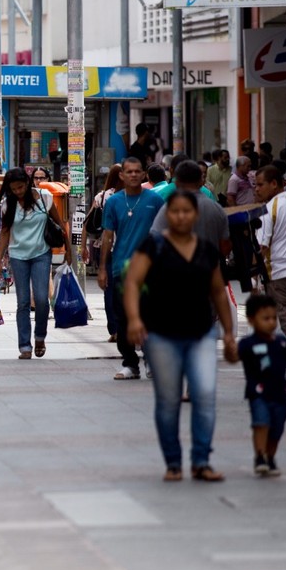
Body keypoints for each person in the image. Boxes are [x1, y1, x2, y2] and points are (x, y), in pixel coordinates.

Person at [123, 190, 236, 482]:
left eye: (187, 211)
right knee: (169, 399)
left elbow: (218, 293)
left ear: (195, 215)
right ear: (167, 215)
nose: (181, 216)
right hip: (161, 335)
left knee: (205, 395)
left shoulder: (207, 251)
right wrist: (135, 319)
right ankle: (173, 462)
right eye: (175, 212)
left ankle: (201, 460)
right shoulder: (153, 246)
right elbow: (133, 282)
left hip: (201, 333)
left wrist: (230, 335)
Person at [98, 157, 164, 380]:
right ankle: (130, 363)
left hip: (150, 269)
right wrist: (102, 268)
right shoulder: (113, 202)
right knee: (123, 318)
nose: (134, 175)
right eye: (129, 172)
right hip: (120, 268)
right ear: (122, 175)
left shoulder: (155, 201)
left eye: (138, 171)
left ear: (144, 174)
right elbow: (107, 235)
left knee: (150, 316)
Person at [0, 168, 70, 359]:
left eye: (20, 187)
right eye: (14, 189)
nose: (18, 192)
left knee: (42, 299)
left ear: (27, 183)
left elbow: (60, 223)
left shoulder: (44, 197)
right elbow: (4, 232)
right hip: (18, 256)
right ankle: (24, 346)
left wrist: (69, 249)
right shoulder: (7, 204)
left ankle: (40, 337)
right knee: (23, 302)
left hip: (41, 253)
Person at [236, 294, 286, 477]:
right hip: (258, 394)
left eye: (274, 318)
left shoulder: (281, 342)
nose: (271, 322)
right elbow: (234, 357)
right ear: (251, 320)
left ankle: (270, 457)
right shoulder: (247, 344)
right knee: (261, 423)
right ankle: (260, 457)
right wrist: (230, 350)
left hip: (280, 395)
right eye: (266, 318)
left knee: (277, 428)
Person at [255, 165, 286, 355]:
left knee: (284, 316)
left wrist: (255, 278)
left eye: (260, 184)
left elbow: (262, 247)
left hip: (278, 271)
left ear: (274, 184)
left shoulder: (268, 209)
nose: (257, 189)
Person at [82, 164, 122, 343]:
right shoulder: (117, 196)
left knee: (110, 289)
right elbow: (88, 222)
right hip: (118, 248)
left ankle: (114, 328)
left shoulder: (102, 196)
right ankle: (118, 327)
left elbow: (86, 223)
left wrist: (84, 247)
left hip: (107, 249)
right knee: (117, 289)